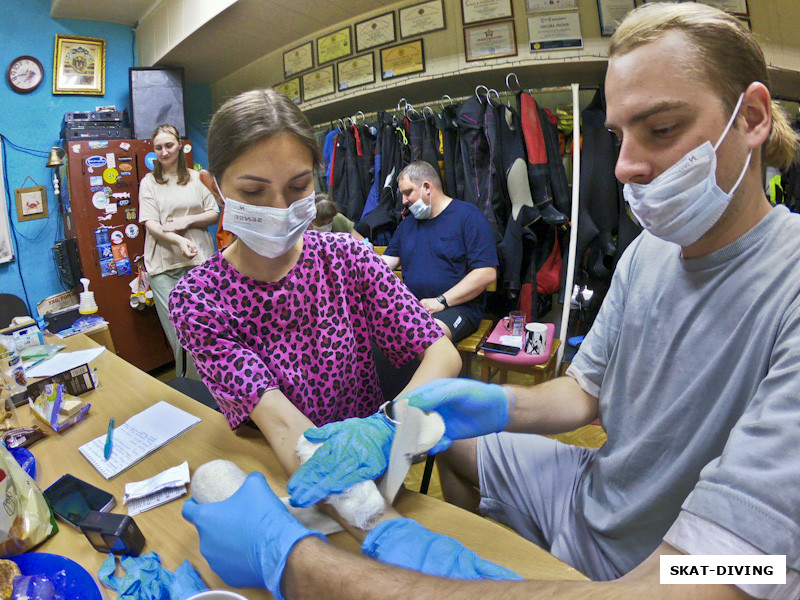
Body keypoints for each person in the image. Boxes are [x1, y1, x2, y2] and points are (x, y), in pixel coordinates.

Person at [181, 4, 800, 600]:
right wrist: (497, 404)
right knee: (453, 444)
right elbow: (586, 392)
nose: (625, 167)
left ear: (750, 120)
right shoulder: (649, 253)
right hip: (599, 491)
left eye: (661, 129)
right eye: (617, 136)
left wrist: (297, 568)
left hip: (707, 562)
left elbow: (725, 577)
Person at [169, 89, 461, 481]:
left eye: (298, 186)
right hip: (281, 471)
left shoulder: (347, 258)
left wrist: (388, 425)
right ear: (214, 186)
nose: (279, 208)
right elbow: (287, 431)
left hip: (369, 460)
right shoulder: (199, 300)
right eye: (253, 191)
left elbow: (442, 354)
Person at [381, 161, 498, 344]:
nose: (403, 201)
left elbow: (486, 273)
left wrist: (441, 301)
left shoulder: (468, 217)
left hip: (457, 308)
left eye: (407, 192)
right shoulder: (406, 226)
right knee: (374, 334)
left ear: (427, 187)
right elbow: (382, 265)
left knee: (426, 338)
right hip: (414, 309)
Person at [138, 124, 219, 371]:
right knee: (179, 332)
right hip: (164, 267)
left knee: (208, 325)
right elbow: (150, 223)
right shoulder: (149, 182)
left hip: (199, 262)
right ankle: (191, 388)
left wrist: (187, 221)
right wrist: (178, 239)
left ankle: (217, 382)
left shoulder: (198, 178)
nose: (164, 152)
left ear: (180, 145)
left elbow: (214, 213)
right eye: (158, 147)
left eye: (169, 145)